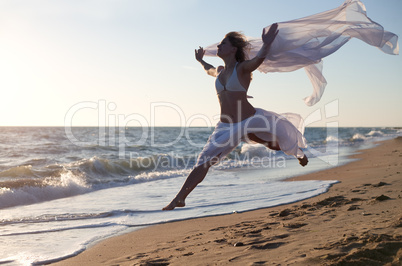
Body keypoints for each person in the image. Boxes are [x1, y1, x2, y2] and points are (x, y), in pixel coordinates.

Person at [162, 23, 308, 211]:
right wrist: (200, 61)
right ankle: (179, 199)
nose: (219, 46)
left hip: (249, 120)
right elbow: (209, 69)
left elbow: (258, 60)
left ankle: (298, 152)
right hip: (225, 127)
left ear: (233, 49)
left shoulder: (243, 69)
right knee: (203, 160)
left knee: (274, 144)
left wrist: (267, 44)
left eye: (223, 43)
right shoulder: (220, 71)